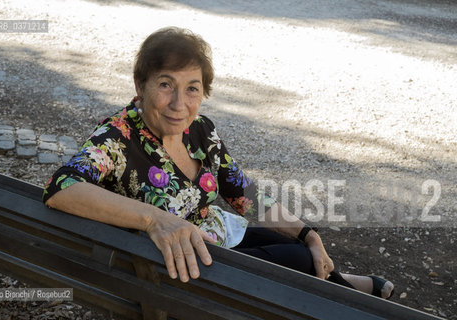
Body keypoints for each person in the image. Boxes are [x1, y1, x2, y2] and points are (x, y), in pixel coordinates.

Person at [43, 27, 394, 299]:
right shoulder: (117, 137)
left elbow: (242, 192)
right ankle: (346, 291)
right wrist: (154, 219)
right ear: (141, 84)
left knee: (301, 247)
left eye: (192, 88)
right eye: (166, 84)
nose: (179, 103)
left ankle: (340, 283)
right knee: (298, 263)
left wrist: (309, 233)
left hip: (211, 238)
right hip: (171, 267)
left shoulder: (199, 130)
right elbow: (62, 188)